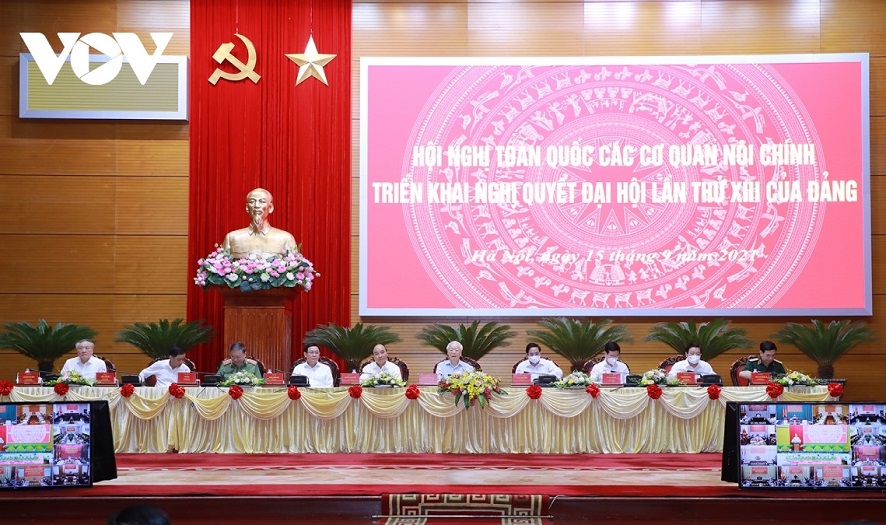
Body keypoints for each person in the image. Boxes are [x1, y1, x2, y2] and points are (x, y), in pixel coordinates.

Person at [222, 187, 297, 259]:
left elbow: (294, 265)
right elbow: (222, 264)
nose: (256, 206)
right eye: (252, 202)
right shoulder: (232, 238)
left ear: (270, 208)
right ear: (247, 208)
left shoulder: (285, 238)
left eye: (262, 202)